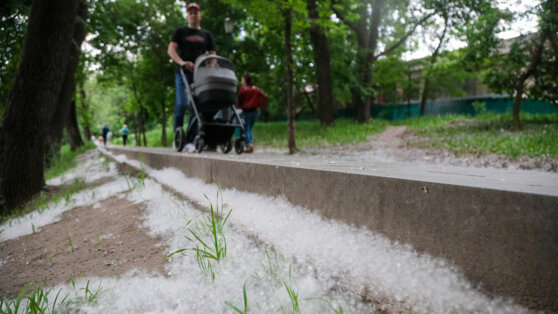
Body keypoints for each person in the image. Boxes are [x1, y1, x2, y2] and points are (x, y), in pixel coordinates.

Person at [167, 2, 216, 152]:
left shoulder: (206, 35)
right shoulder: (180, 31)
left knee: (196, 107)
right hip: (183, 73)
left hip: (200, 75)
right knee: (181, 104)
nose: (193, 15)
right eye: (191, 13)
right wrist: (182, 62)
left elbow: (213, 55)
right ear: (188, 15)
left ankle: (190, 139)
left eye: (196, 13)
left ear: (200, 15)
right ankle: (178, 136)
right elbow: (171, 50)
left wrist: (210, 65)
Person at [237, 74, 267, 153]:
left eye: (242, 79)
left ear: (245, 80)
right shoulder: (256, 89)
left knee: (247, 128)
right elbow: (265, 96)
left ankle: (249, 145)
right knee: (249, 128)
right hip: (255, 111)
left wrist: (238, 107)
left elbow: (239, 100)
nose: (241, 81)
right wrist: (260, 106)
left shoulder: (243, 89)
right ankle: (249, 143)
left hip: (247, 111)